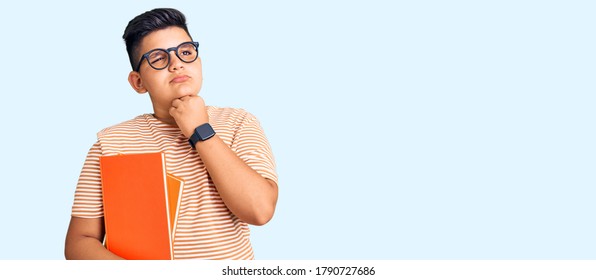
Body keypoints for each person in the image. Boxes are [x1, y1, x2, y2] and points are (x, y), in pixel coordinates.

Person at [64, 8, 278, 260]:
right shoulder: (109, 143)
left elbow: (259, 211)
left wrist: (201, 130)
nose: (176, 64)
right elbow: (79, 243)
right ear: (138, 82)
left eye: (186, 52)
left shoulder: (239, 122)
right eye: (158, 58)